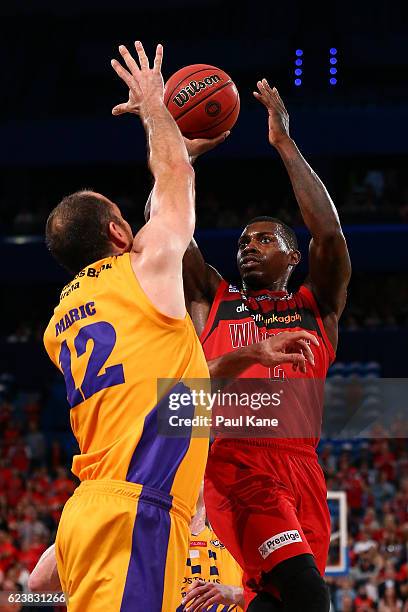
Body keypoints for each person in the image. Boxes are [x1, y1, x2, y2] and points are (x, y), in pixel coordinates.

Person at [42, 40, 212, 612]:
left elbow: (33, 593)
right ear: (120, 236)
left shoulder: (60, 322)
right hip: (137, 507)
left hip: (90, 512)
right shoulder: (144, 269)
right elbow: (172, 184)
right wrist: (154, 108)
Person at [179, 81, 352, 611]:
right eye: (241, 242)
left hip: (302, 467)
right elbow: (170, 237)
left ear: (292, 255)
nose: (247, 247)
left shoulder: (315, 305)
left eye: (263, 240)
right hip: (238, 464)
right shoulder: (213, 298)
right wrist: (178, 163)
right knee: (308, 596)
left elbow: (329, 234)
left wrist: (283, 143)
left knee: (274, 600)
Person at [29, 486, 245, 611]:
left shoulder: (237, 537)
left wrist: (235, 594)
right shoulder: (135, 532)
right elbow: (39, 584)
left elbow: (277, 599)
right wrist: (98, 515)